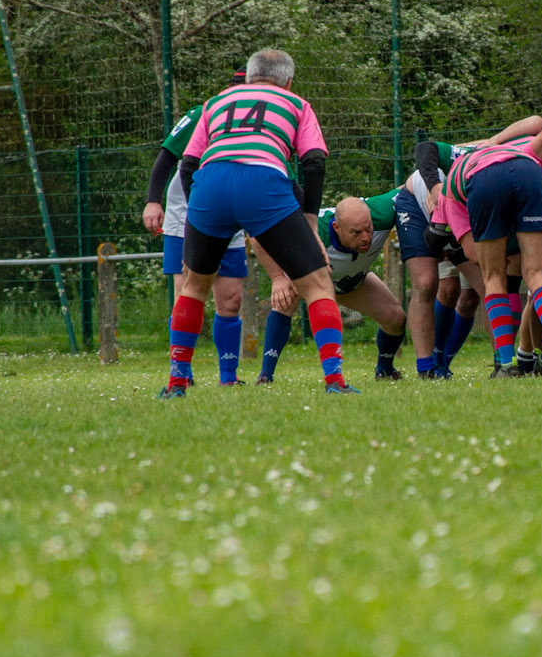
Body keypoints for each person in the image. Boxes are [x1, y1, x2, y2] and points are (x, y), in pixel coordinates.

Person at [159, 48, 353, 398]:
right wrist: (310, 222)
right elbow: (314, 162)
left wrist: (199, 214)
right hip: (263, 183)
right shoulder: (297, 104)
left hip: (210, 185)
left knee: (193, 286)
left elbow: (187, 165)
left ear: (249, 77)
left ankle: (176, 383)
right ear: (288, 82)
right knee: (317, 284)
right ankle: (334, 381)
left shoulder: (216, 102)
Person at [432, 121, 542, 374]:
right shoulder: (511, 149)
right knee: (537, 272)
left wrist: (499, 252)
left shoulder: (447, 194)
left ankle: (506, 362)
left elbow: (472, 253)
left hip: (483, 180)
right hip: (529, 171)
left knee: (494, 277)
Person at [142, 70, 249, 386]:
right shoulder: (203, 113)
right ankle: (182, 374)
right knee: (186, 295)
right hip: (186, 215)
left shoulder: (264, 120)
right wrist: (153, 201)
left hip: (230, 212)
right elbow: (166, 157)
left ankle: (228, 376)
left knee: (231, 299)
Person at [256, 193, 407, 384]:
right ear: (337, 227)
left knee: (396, 318)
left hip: (353, 282)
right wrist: (278, 278)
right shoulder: (311, 231)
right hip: (314, 280)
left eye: (368, 229)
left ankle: (385, 370)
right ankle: (265, 375)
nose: (366, 238)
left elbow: (413, 184)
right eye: (356, 233)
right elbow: (258, 234)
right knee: (285, 297)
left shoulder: (382, 212)